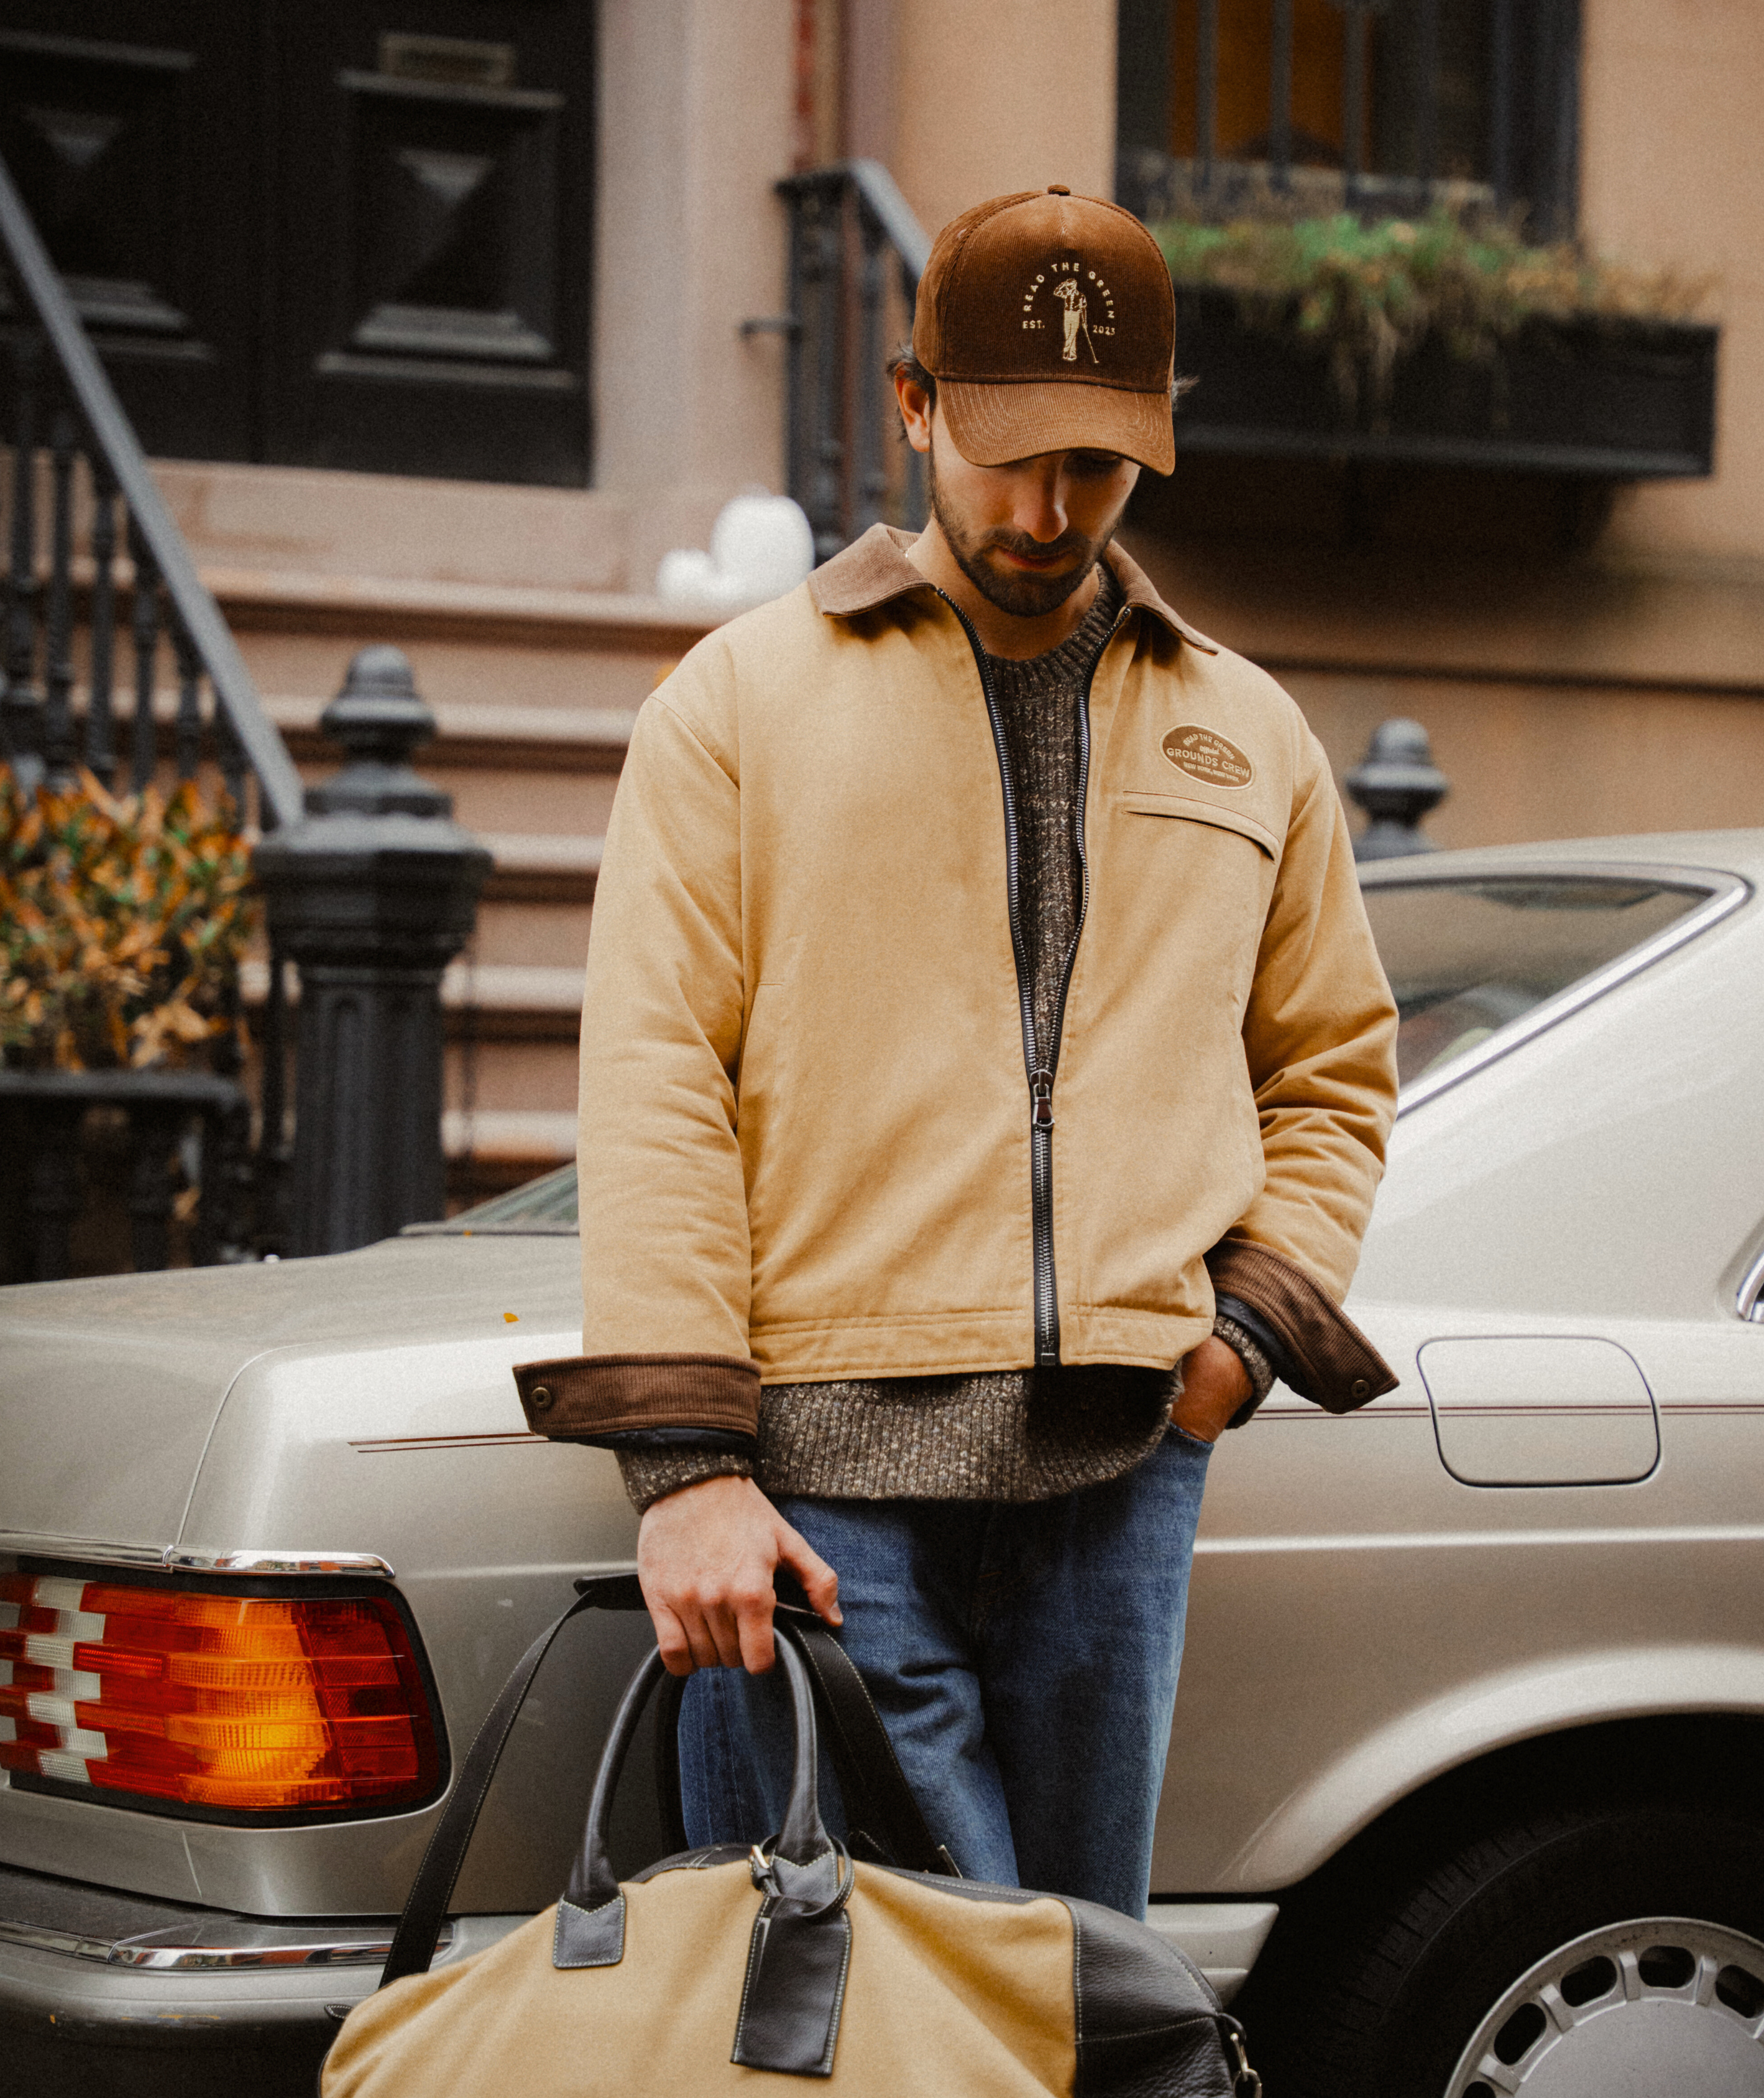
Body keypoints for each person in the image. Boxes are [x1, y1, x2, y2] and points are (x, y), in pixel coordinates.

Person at [515, 186, 1399, 1921]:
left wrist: (1240, 1341)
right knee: (872, 1996)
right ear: (914, 406)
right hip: (821, 1489)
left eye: (1095, 463)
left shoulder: (1250, 733)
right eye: (1005, 455)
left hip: (1121, 1472)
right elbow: (658, 1081)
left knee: (1073, 1977)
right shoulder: (737, 706)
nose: (1045, 510)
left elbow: (1331, 1069)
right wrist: (689, 1469)